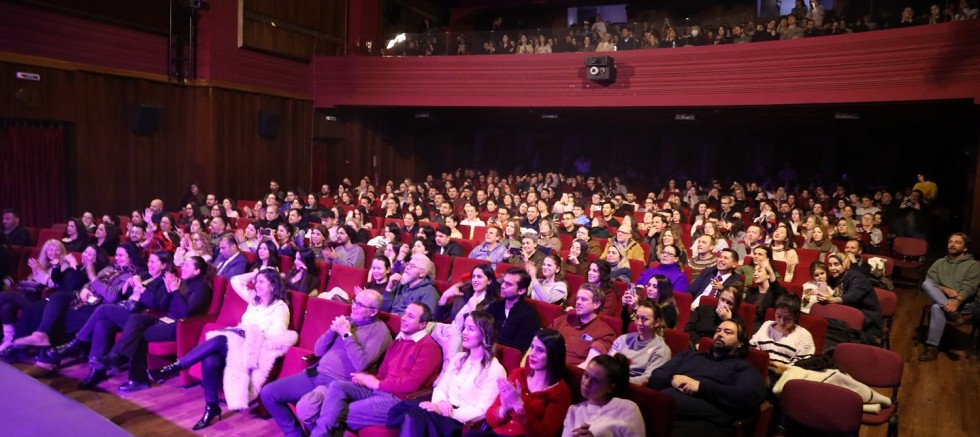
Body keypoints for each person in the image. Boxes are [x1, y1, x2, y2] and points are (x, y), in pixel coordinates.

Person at [147, 269, 294, 430]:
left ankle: (173, 368)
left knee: (219, 340)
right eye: (256, 281)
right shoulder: (254, 299)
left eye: (261, 282)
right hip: (237, 341)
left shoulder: (280, 308)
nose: (256, 285)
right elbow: (235, 281)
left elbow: (277, 335)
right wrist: (256, 273)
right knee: (210, 360)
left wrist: (252, 331)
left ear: (272, 285)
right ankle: (211, 408)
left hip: (254, 349)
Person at [261, 289, 392, 437]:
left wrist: (346, 335)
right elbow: (318, 351)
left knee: (308, 406)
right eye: (354, 301)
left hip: (339, 382)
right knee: (269, 393)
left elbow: (362, 364)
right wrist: (332, 330)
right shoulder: (347, 321)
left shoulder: (380, 331)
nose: (354, 306)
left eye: (360, 305)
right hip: (316, 372)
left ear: (373, 312)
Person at [314, 302, 442, 436]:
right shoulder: (398, 342)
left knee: (339, 412)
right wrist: (365, 379)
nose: (403, 318)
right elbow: (382, 374)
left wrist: (377, 384)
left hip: (399, 399)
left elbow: (412, 384)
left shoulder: (428, 347)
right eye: (404, 313)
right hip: (379, 390)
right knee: (337, 386)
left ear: (422, 324)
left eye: (410, 316)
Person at [387, 311, 506, 437]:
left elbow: (483, 410)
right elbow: (440, 388)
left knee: (414, 415)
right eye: (465, 327)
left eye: (471, 329)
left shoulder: (495, 369)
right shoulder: (458, 358)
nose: (464, 332)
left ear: (485, 334)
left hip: (461, 422)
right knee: (410, 412)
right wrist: (441, 402)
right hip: (441, 410)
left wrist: (448, 412)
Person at [649, 319, 766, 437]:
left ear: (740, 342)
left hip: (697, 423)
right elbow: (656, 376)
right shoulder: (689, 355)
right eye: (718, 331)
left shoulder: (743, 368)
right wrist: (672, 379)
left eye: (728, 332)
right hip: (659, 410)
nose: (720, 334)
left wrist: (701, 387)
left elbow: (750, 397)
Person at [464, 329, 571, 437]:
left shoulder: (560, 392)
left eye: (540, 350)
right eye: (532, 347)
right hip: (498, 433)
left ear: (554, 355)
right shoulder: (518, 374)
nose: (532, 354)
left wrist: (517, 404)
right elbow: (490, 418)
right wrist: (504, 410)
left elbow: (544, 434)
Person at [918, 232, 979, 361]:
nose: (952, 244)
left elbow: (969, 287)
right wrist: (944, 288)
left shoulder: (972, 265)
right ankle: (953, 315)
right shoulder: (939, 262)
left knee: (937, 307)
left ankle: (932, 347)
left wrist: (957, 301)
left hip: (965, 303)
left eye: (957, 242)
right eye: (950, 242)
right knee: (927, 284)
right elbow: (930, 282)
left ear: (965, 248)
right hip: (944, 299)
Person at [561, 353, 645, 437]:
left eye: (595, 381)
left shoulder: (628, 409)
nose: (586, 383)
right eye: (586, 375)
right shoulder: (573, 410)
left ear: (610, 387)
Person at [816, 253, 884, 342]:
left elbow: (852, 297)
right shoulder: (833, 278)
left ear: (846, 264)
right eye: (830, 265)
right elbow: (826, 293)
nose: (832, 268)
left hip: (867, 322)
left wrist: (833, 299)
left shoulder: (858, 278)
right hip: (844, 317)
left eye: (836, 264)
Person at [749, 294, 815, 378]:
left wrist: (779, 367)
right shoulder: (767, 325)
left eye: (787, 318)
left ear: (795, 316)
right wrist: (769, 363)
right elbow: (753, 348)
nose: (781, 322)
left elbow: (801, 366)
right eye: (778, 316)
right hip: (759, 369)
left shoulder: (804, 335)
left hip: (784, 376)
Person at [552, 284, 616, 368]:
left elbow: (589, 365)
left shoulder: (605, 332)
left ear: (596, 304)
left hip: (572, 373)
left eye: (584, 299)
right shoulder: (564, 320)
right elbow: (540, 341)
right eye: (578, 298)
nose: (578, 302)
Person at [610, 301, 672, 384]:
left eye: (645, 319)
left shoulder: (661, 350)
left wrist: (618, 381)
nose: (639, 323)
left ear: (657, 322)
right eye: (637, 317)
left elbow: (647, 379)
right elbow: (607, 364)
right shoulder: (622, 339)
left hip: (630, 387)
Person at [486, 268, 541, 352]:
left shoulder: (529, 315)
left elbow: (520, 348)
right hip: (487, 351)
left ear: (521, 290)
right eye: (504, 282)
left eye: (508, 284)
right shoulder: (494, 306)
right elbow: (483, 331)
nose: (502, 286)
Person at [435, 264, 499, 328]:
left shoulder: (492, 303)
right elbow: (438, 318)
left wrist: (473, 309)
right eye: (473, 276)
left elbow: (482, 329)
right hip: (451, 331)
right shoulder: (463, 294)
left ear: (489, 281)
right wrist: (445, 296)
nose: (475, 280)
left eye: (479, 277)